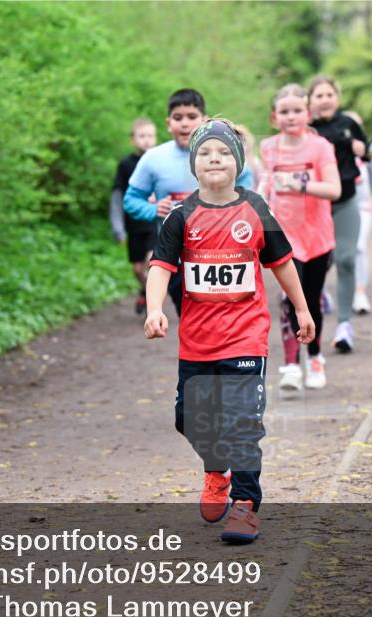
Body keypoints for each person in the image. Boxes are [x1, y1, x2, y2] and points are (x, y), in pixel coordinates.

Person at [144, 119, 315, 543]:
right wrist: (154, 309)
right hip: (197, 342)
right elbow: (160, 267)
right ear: (193, 164)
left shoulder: (256, 209)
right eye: (204, 153)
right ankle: (215, 468)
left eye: (223, 152)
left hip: (246, 337)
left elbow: (281, 263)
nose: (214, 159)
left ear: (238, 162)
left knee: (242, 422)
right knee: (190, 421)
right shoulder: (181, 217)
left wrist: (301, 308)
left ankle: (245, 505)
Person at [124, 89, 254, 317]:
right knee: (191, 317)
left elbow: (246, 185)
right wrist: (153, 209)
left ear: (204, 120)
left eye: (192, 117)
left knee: (223, 316)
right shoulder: (154, 158)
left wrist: (230, 206)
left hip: (220, 251)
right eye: (178, 117)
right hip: (175, 255)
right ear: (168, 123)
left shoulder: (222, 153)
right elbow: (131, 199)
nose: (184, 123)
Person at [259, 84, 341, 392]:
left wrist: (298, 184)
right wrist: (261, 195)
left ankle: (315, 357)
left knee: (312, 299)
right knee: (289, 299)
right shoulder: (268, 147)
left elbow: (334, 189)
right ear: (274, 117)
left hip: (317, 235)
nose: (291, 117)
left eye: (297, 111)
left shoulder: (320, 147)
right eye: (284, 112)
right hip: (284, 236)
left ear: (308, 114)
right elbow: (266, 182)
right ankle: (291, 365)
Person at [307, 75, 369, 353]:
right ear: (310, 101)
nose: (324, 100)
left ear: (337, 98)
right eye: (318, 95)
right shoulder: (307, 130)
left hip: (345, 201)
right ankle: (318, 297)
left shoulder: (348, 124)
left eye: (329, 95)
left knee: (346, 258)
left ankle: (344, 324)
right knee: (315, 263)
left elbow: (366, 153)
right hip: (315, 205)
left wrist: (362, 149)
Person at [110, 118, 158, 314]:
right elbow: (117, 196)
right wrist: (118, 227)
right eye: (142, 136)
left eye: (150, 136)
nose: (146, 140)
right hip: (134, 225)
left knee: (151, 261)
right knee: (138, 270)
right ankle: (145, 291)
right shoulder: (125, 165)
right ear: (133, 139)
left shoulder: (159, 162)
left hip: (155, 222)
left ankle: (153, 302)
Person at [343, 110, 372, 315]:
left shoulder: (364, 151)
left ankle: (360, 293)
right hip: (339, 208)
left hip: (363, 207)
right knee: (335, 255)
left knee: (359, 247)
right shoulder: (333, 151)